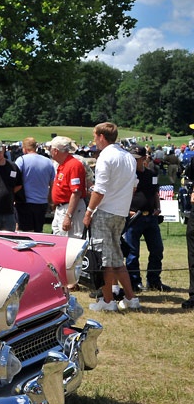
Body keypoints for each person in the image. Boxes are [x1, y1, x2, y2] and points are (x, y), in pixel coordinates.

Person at [84, 122, 139, 312]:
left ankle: (108, 302)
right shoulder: (128, 157)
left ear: (101, 137)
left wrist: (89, 211)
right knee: (116, 258)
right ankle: (131, 298)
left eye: (95, 137)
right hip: (121, 212)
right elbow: (133, 186)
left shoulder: (105, 157)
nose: (94, 141)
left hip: (105, 211)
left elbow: (100, 190)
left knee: (104, 260)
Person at [124, 147, 167, 291]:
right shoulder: (127, 175)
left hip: (151, 217)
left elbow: (155, 192)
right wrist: (127, 211)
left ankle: (154, 281)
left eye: (136, 158)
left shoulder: (152, 173)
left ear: (144, 159)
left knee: (157, 250)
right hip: (134, 217)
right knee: (132, 252)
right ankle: (134, 282)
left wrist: (158, 207)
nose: (133, 161)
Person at [47, 136, 87, 238]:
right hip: (62, 207)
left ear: (55, 151)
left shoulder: (73, 165)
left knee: (71, 240)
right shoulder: (63, 164)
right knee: (59, 236)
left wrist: (68, 216)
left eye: (50, 149)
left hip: (69, 208)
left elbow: (76, 192)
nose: (49, 151)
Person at [15, 137, 55, 232]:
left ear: (24, 148)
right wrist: (50, 201)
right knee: (39, 231)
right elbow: (52, 183)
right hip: (42, 203)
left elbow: (15, 180)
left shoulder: (21, 160)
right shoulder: (48, 162)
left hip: (25, 202)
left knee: (25, 233)